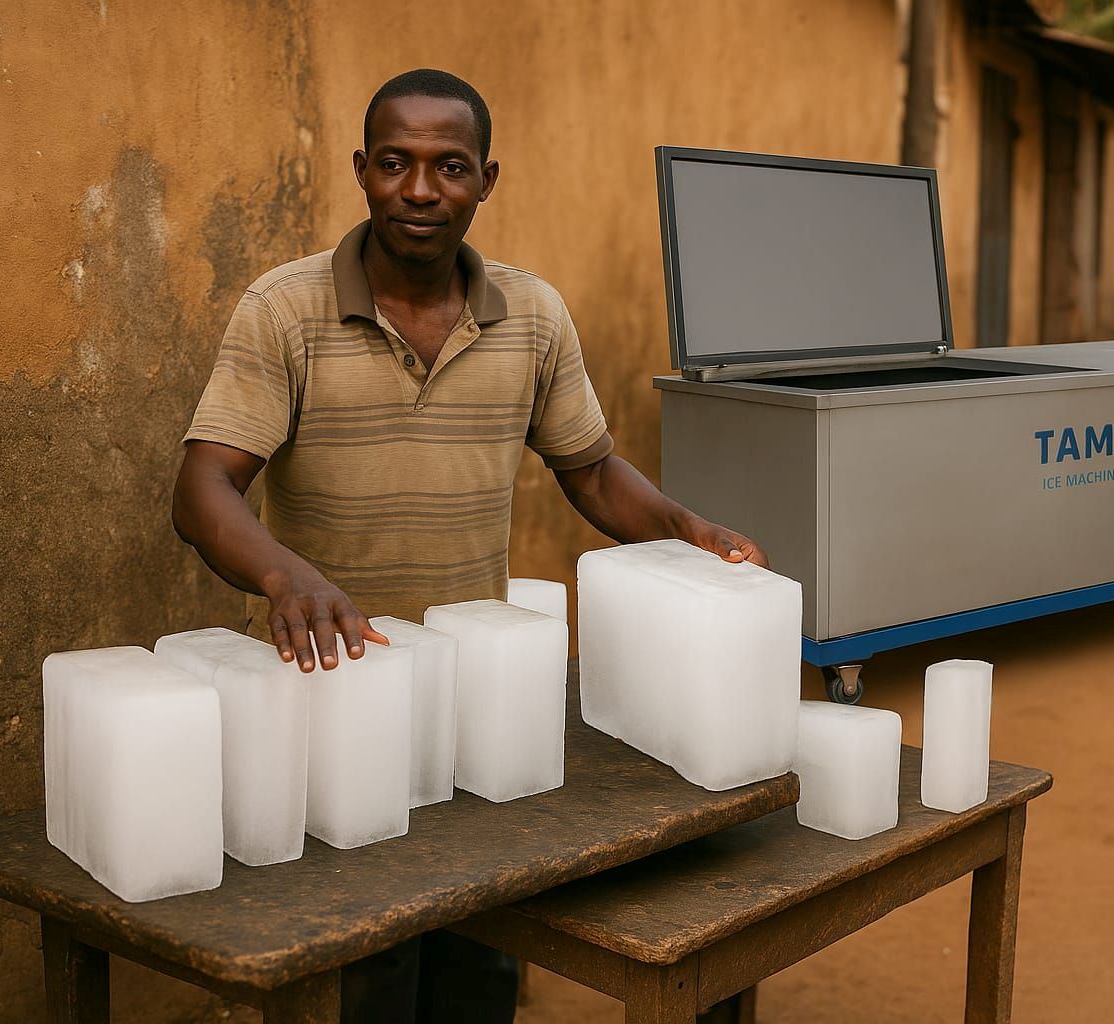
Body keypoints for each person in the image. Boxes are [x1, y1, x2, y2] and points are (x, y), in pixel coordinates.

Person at [171, 69, 767, 1023]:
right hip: (334, 692)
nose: (420, 190)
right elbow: (202, 486)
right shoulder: (281, 311)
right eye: (397, 164)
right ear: (361, 171)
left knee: (484, 953)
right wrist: (288, 578)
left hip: (474, 702)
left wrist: (682, 526)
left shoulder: (531, 316)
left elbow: (593, 472)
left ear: (486, 180)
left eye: (448, 167)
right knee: (369, 963)